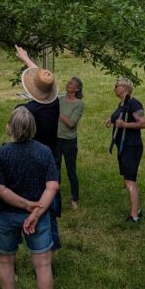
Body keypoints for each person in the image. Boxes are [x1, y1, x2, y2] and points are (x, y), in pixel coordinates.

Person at [0, 107, 59, 289]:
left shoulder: (2, 153)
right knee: (43, 264)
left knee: (6, 262)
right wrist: (36, 212)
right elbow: (52, 186)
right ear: (33, 128)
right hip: (39, 216)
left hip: (7, 215)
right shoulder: (44, 152)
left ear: (9, 128)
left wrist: (26, 206)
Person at [14, 46, 61, 249]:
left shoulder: (24, 110)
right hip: (51, 156)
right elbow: (44, 80)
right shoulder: (55, 103)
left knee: (29, 200)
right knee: (49, 200)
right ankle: (51, 244)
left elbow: (14, 132)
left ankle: (21, 238)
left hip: (31, 159)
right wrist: (26, 59)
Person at [105, 78, 145, 222]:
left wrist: (124, 125)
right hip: (123, 147)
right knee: (129, 179)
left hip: (131, 147)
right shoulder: (123, 103)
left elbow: (143, 123)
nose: (115, 87)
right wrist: (110, 119)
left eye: (117, 85)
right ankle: (137, 209)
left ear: (126, 88)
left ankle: (134, 216)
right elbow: (119, 114)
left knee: (129, 180)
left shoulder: (134, 103)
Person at [56, 77, 84, 210]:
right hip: (56, 139)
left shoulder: (79, 104)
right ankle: (54, 197)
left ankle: (75, 198)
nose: (68, 84)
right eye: (68, 82)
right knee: (55, 168)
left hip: (69, 141)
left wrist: (57, 113)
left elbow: (71, 123)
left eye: (71, 83)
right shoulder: (59, 100)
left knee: (71, 170)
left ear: (77, 89)